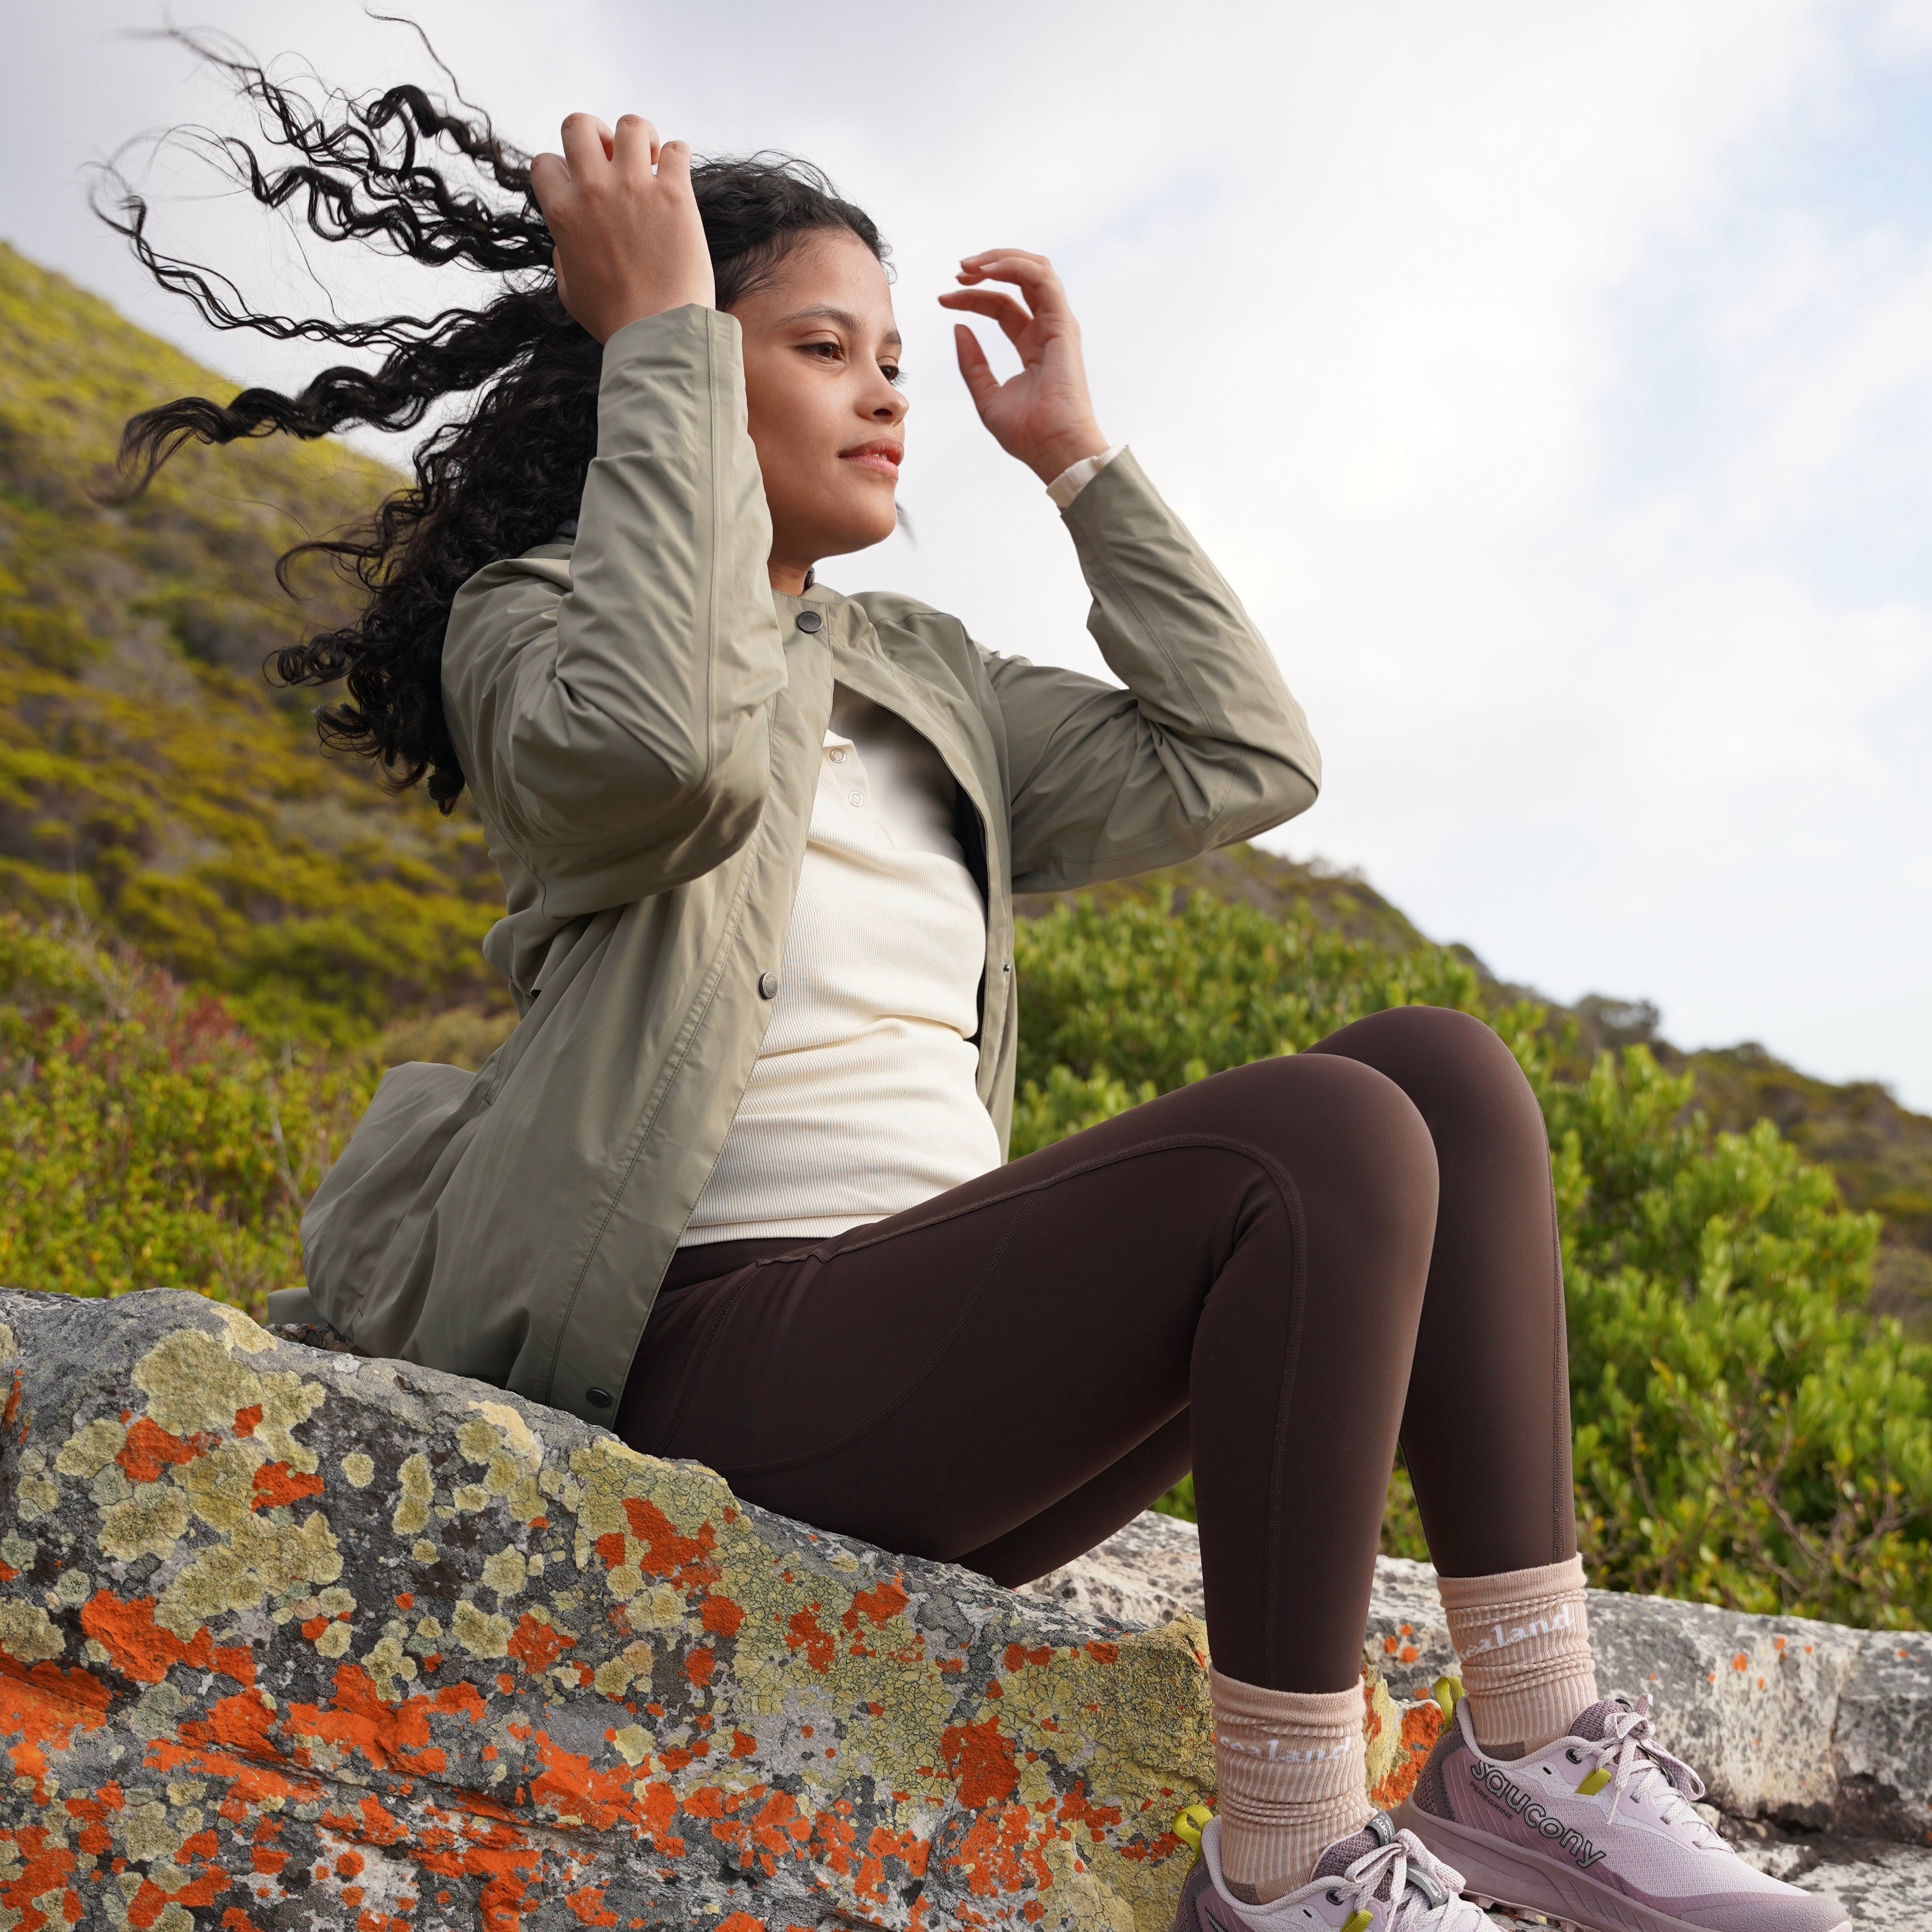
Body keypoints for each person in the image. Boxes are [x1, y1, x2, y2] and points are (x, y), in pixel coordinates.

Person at [111, 57, 1846, 1932]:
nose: (884, 388)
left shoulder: (917, 671)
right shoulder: (530, 627)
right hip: (707, 1356)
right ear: (675, 370)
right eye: (815, 345)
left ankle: (1531, 1755)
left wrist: (1077, 463)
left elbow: (1238, 758)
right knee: (1320, 1135)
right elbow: (668, 757)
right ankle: (1285, 1855)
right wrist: (663, 343)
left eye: (891, 355)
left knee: (1438, 1074)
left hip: (939, 1376)